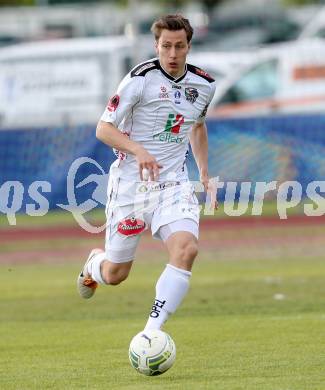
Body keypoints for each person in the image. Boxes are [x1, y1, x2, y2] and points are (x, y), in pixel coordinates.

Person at [77, 14, 216, 332]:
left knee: (187, 249)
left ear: (188, 47)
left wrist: (205, 172)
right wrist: (139, 150)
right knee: (115, 275)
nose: (172, 54)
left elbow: (197, 126)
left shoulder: (204, 85)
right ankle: (93, 264)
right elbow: (103, 128)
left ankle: (151, 333)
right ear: (156, 45)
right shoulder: (139, 79)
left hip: (174, 184)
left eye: (179, 47)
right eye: (166, 46)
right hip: (130, 186)